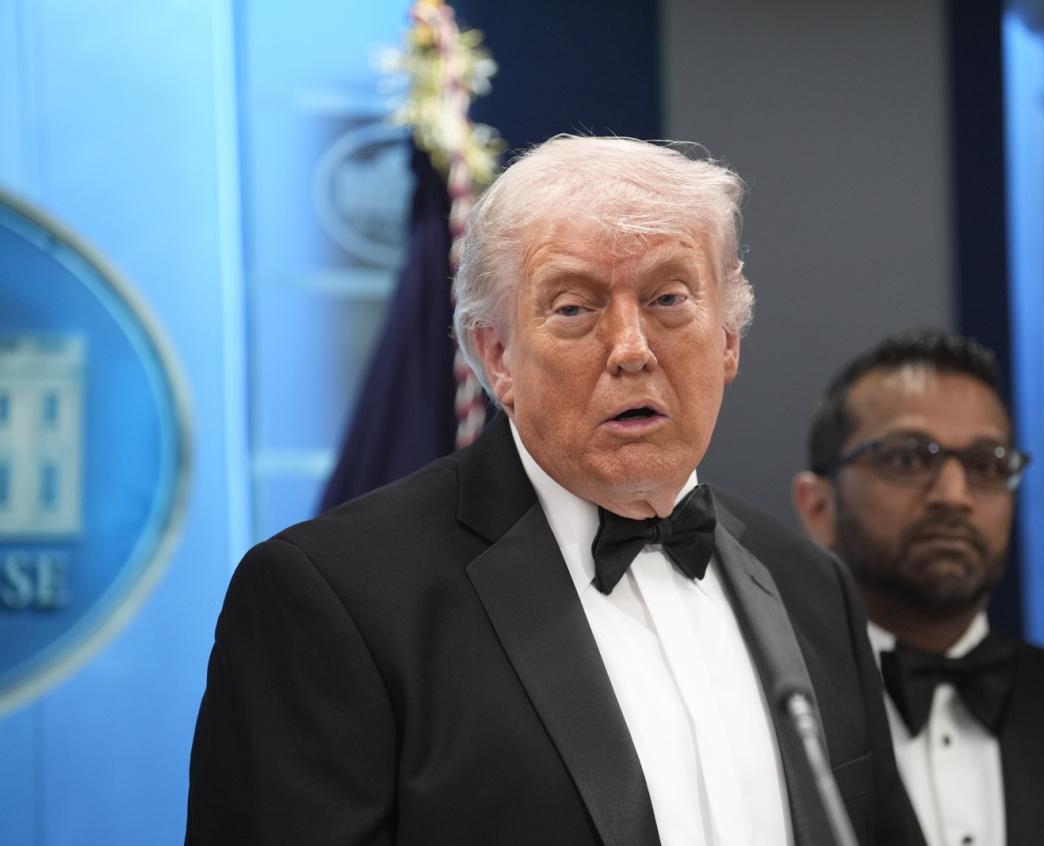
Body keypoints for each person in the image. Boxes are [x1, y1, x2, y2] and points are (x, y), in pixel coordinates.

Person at [185, 135, 919, 845]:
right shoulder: (333, 599)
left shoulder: (810, 586)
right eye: (574, 307)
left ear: (728, 340)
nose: (632, 349)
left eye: (669, 298)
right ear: (496, 355)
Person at [793, 328, 1044, 846]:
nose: (954, 494)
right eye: (908, 458)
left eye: (987, 465)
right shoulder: (762, 717)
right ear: (818, 507)